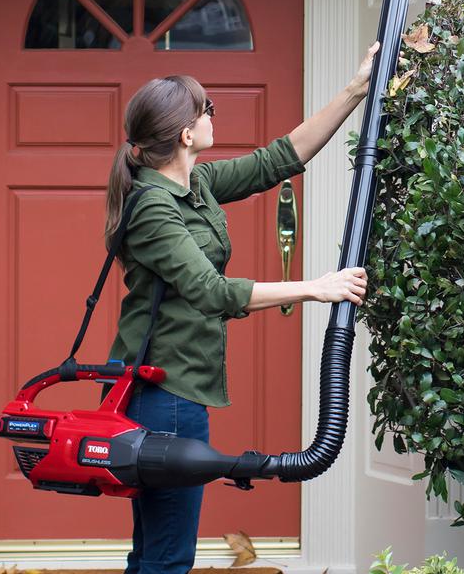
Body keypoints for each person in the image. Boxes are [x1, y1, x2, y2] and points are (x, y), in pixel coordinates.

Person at [104, 42, 379, 574]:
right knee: (167, 556)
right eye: (207, 109)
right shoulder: (153, 208)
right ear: (186, 134)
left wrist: (357, 89)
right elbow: (212, 291)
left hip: (173, 392)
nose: (214, 116)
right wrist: (315, 288)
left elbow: (279, 159)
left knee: (154, 551)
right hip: (164, 396)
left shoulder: (196, 184)